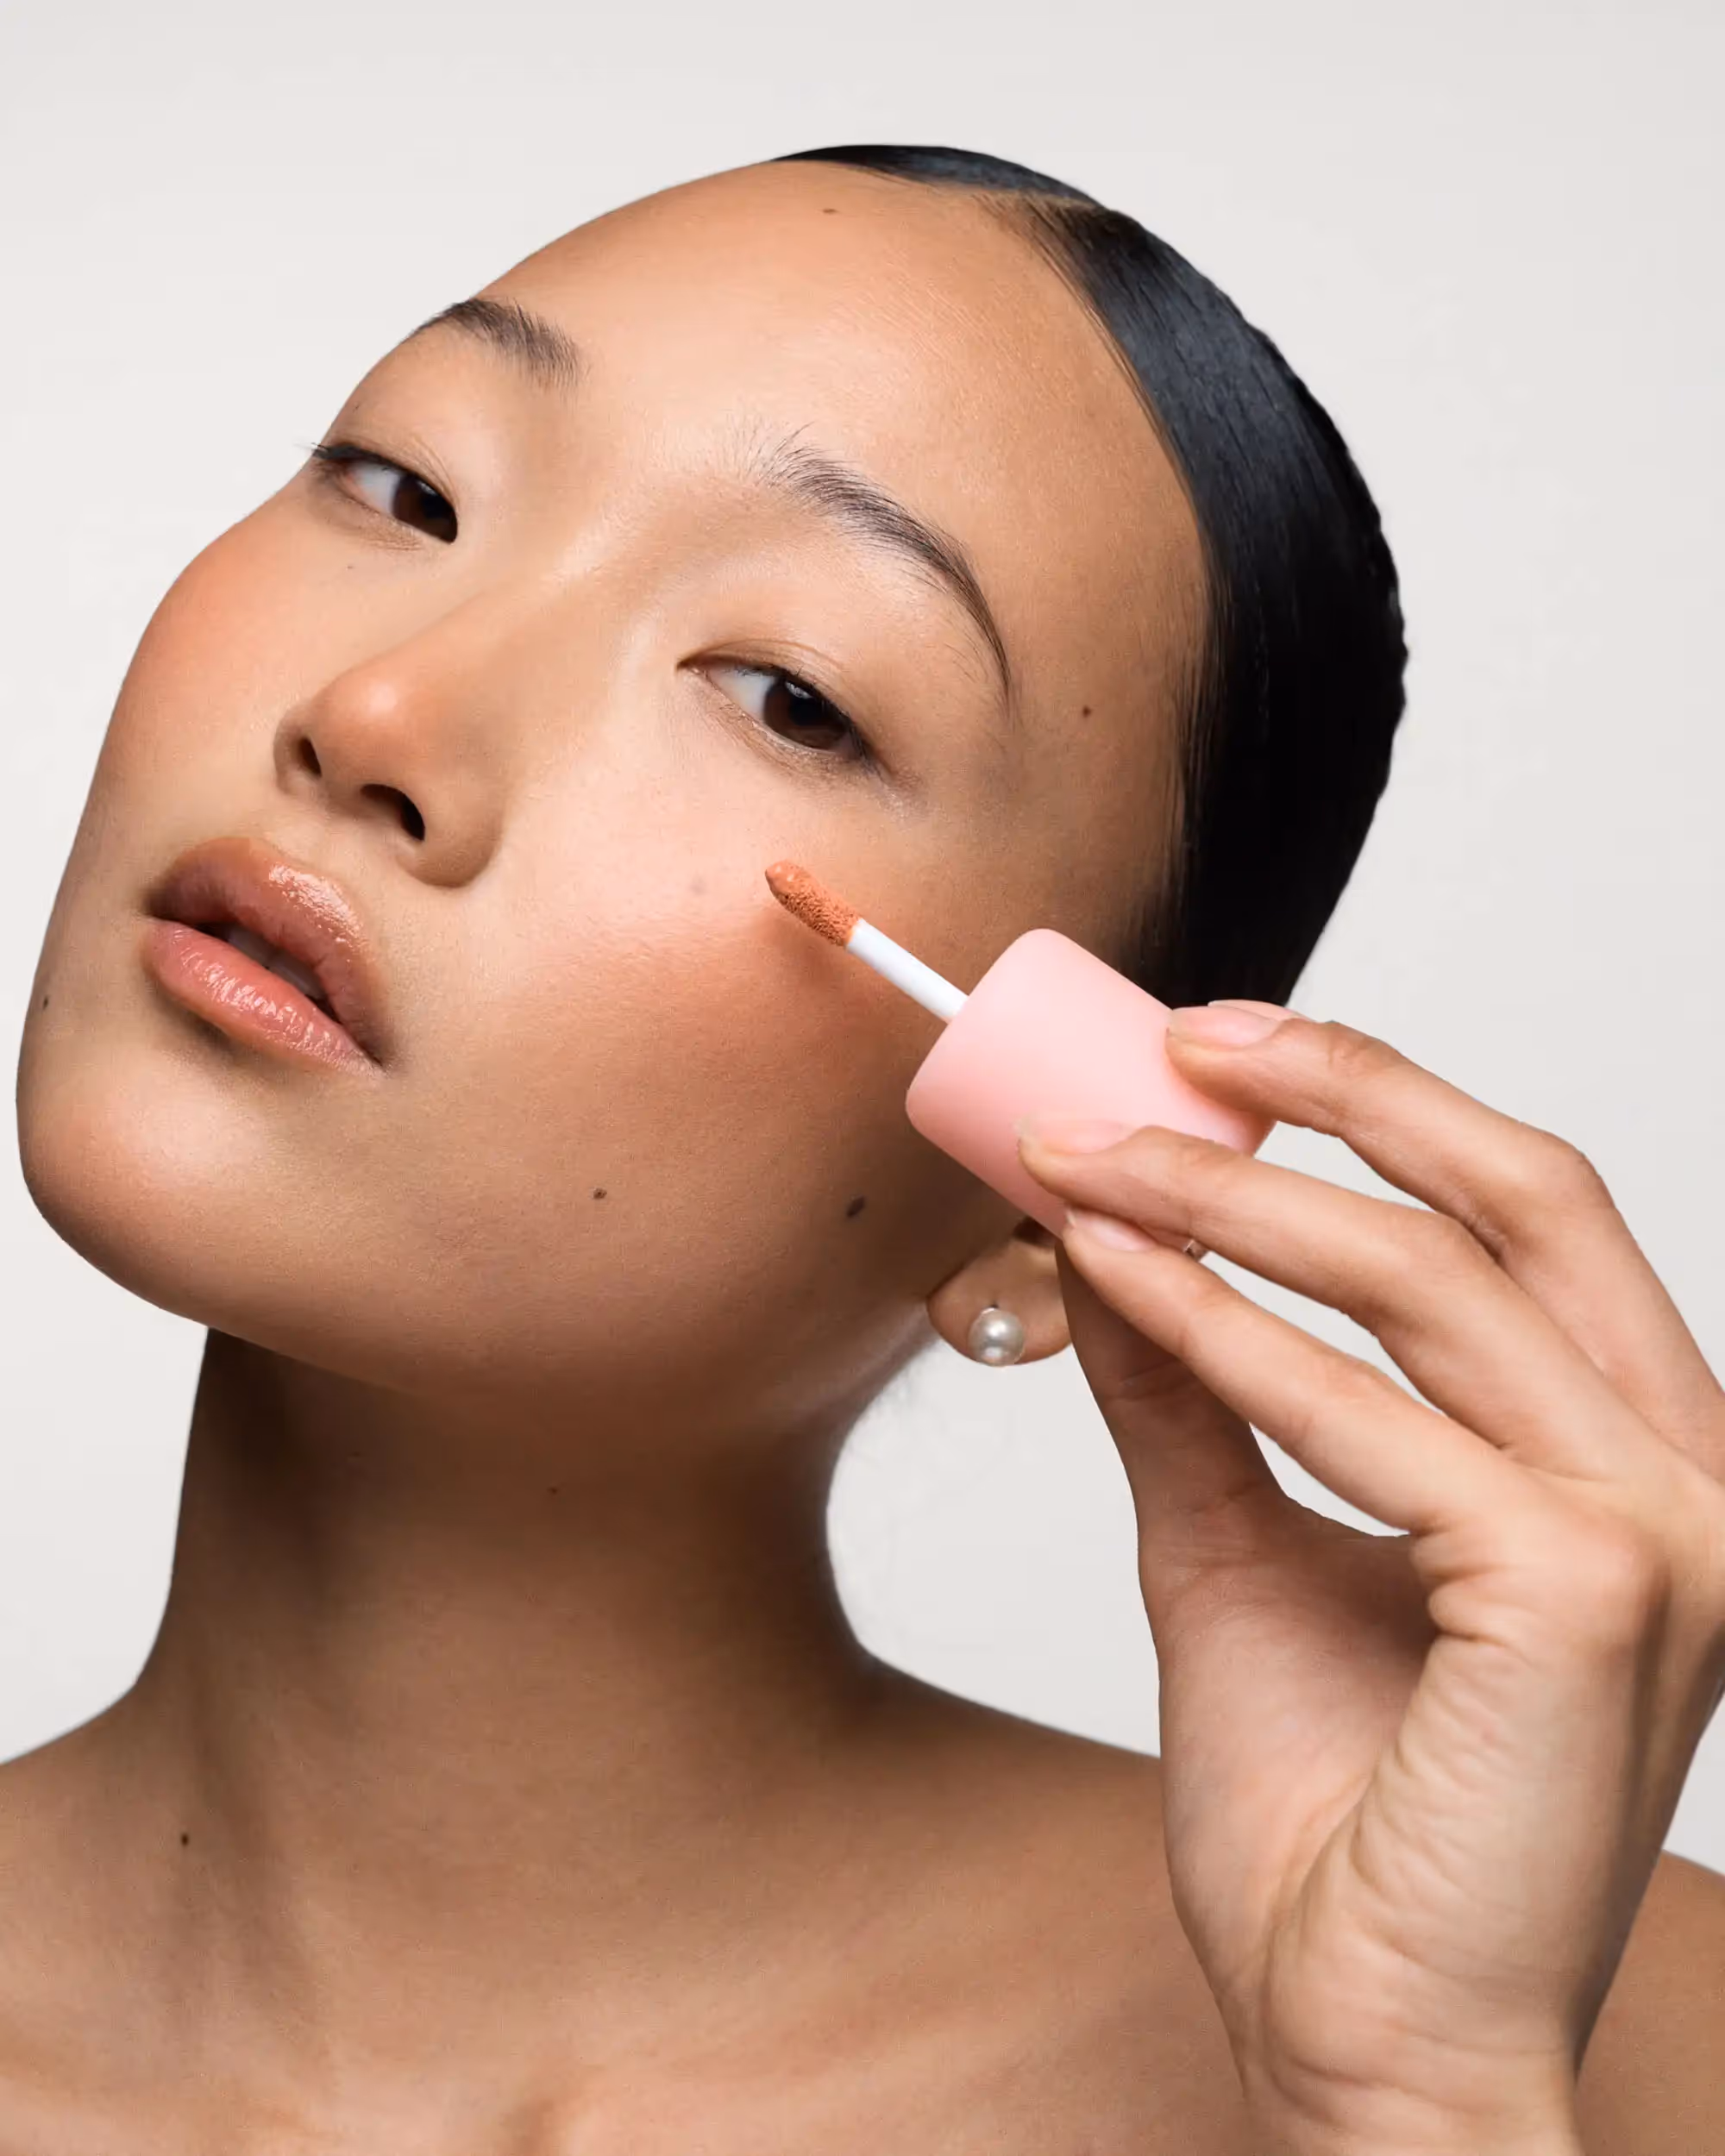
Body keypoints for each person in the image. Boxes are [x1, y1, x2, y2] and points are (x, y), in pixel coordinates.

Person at [6, 144, 1722, 2153]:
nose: (377, 711)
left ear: (1043, 1199)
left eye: (790, 697)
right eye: (407, 488)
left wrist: (1419, 2098)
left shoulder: (1633, 2050)